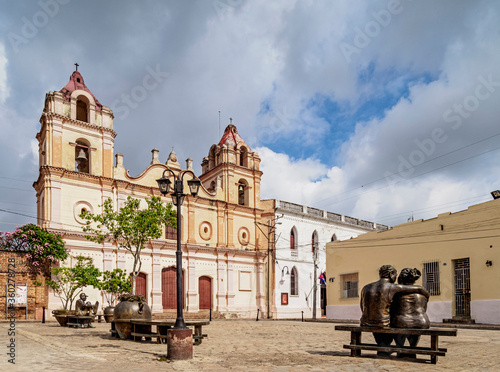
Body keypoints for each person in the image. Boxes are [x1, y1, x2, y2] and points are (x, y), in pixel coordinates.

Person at [360, 265, 430, 351]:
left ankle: (383, 348)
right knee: (390, 323)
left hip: (365, 322)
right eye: (395, 275)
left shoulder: (365, 287)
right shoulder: (392, 287)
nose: (395, 278)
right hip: (382, 323)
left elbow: (362, 306)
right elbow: (418, 289)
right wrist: (426, 294)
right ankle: (389, 349)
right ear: (391, 274)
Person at [391, 268, 430, 357]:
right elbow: (424, 308)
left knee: (398, 322)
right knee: (416, 323)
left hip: (402, 322)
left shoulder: (397, 293)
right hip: (422, 322)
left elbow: (393, 309)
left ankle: (400, 349)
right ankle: (413, 348)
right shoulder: (423, 293)